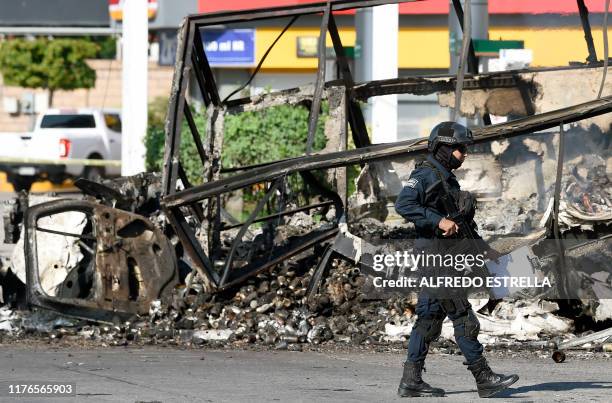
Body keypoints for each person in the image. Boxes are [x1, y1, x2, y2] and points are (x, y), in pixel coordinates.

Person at [394, 121, 519, 398]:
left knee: (428, 319)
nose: (464, 153)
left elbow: (461, 224)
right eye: (460, 148)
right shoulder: (426, 175)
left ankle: (411, 381)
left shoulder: (446, 177)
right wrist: (438, 221)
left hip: (444, 258)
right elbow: (404, 204)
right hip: (436, 260)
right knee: (463, 317)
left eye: (464, 148)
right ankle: (484, 377)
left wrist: (484, 250)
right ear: (442, 148)